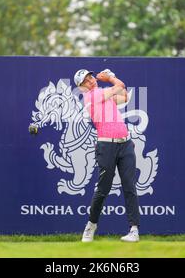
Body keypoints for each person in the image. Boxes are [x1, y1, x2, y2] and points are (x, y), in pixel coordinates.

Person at [73, 68, 140, 243]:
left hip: (125, 144)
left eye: (91, 77)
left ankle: (134, 230)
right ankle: (91, 226)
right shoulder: (91, 96)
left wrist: (112, 79)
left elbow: (125, 97)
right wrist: (111, 78)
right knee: (103, 189)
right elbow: (120, 86)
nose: (91, 81)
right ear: (81, 87)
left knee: (129, 187)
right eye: (86, 81)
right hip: (106, 145)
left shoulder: (104, 95)